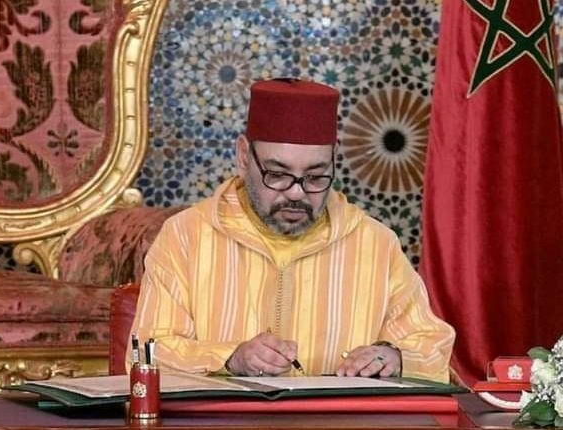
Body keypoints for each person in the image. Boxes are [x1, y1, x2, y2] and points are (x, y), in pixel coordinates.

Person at [129, 79, 455, 382]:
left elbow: (431, 349)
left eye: (315, 176)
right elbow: (144, 354)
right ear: (243, 157)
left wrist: (393, 357)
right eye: (277, 174)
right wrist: (230, 358)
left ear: (334, 160)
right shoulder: (185, 236)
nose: (297, 193)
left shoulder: (376, 243)